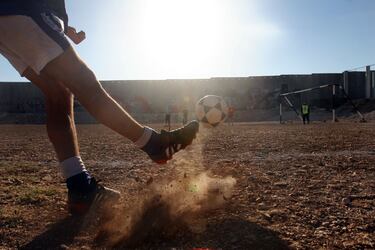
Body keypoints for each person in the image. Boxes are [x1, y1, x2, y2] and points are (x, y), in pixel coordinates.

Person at [0, 0, 199, 215]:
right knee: (84, 82)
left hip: (11, 20)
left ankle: (79, 187)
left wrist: (63, 26)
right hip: (22, 9)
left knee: (58, 94)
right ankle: (154, 144)